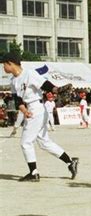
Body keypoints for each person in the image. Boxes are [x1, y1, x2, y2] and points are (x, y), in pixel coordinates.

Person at [1, 51, 79, 182]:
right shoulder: (14, 81)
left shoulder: (29, 73)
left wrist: (57, 90)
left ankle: (34, 173)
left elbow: (45, 84)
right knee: (44, 142)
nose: (3, 67)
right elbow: (17, 101)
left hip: (37, 108)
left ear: (11, 63)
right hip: (32, 109)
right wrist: (25, 111)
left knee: (26, 142)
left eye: (4, 64)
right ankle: (70, 162)